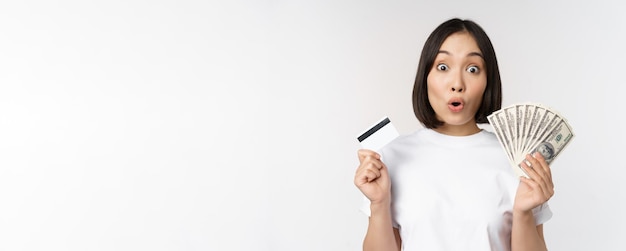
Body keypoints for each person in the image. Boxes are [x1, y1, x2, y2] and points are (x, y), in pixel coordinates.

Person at [354, 18, 555, 251]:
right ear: (425, 77)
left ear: (487, 81)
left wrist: (523, 213)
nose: (457, 84)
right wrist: (379, 204)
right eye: (442, 67)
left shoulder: (519, 159)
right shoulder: (391, 157)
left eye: (472, 69)